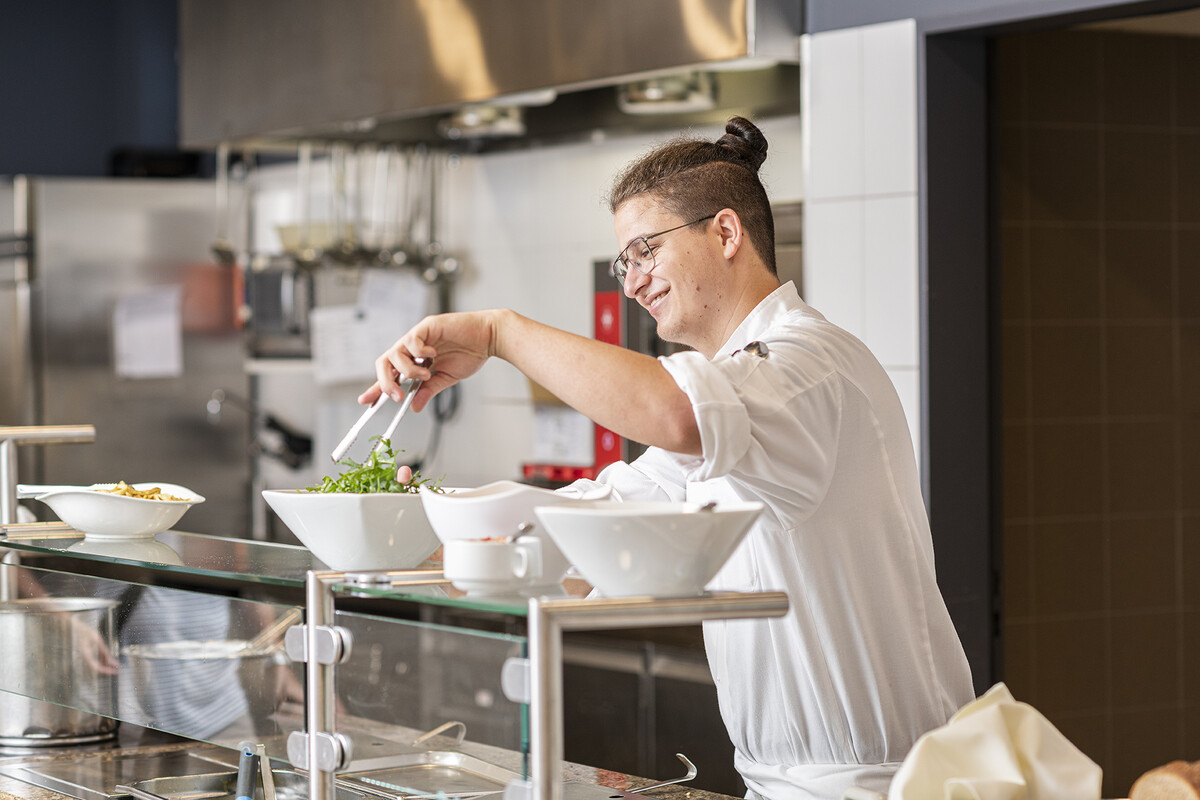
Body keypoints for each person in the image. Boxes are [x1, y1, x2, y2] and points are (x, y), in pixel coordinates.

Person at [362, 117, 975, 800]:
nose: (632, 284)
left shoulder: (807, 366)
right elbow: (590, 530)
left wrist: (498, 331)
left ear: (725, 232)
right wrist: (403, 534)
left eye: (644, 252)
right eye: (625, 263)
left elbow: (676, 412)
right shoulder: (734, 407)